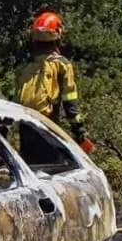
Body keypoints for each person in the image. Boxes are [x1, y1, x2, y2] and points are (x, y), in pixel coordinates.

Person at [15, 11, 95, 157]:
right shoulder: (62, 64)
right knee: (53, 172)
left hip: (25, 128)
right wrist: (80, 134)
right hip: (47, 126)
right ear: (57, 34)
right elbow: (70, 104)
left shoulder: (25, 65)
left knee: (32, 172)